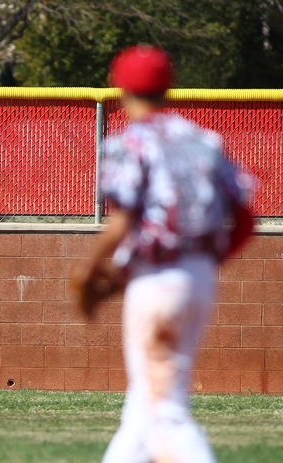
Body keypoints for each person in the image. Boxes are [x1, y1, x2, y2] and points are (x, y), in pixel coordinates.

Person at [72, 44, 254, 463]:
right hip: (199, 279)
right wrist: (204, 263)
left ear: (119, 89)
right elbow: (245, 219)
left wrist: (88, 267)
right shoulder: (203, 139)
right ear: (169, 87)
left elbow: (121, 223)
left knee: (166, 414)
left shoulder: (129, 141)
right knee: (144, 408)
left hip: (157, 282)